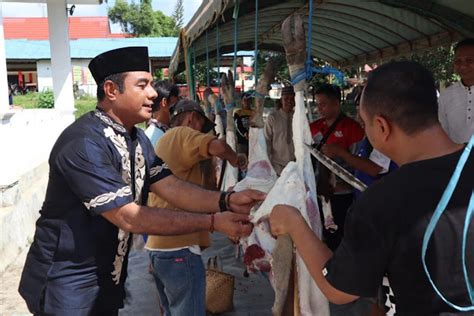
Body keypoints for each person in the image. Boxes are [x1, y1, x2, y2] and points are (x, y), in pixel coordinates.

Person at [18, 47, 264, 316]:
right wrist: (213, 222)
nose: (153, 94)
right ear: (112, 90)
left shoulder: (137, 139)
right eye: (142, 85)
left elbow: (170, 186)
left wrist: (225, 201)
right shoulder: (84, 142)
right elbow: (129, 217)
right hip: (67, 282)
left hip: (107, 275)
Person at [270, 61, 473, 315]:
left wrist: (294, 222)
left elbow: (339, 290)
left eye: (364, 124)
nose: (363, 129)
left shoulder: (381, 202)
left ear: (382, 127)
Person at [145, 99, 247, 316]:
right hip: (179, 248)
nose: (201, 132)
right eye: (201, 126)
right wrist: (236, 159)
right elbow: (218, 146)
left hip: (161, 248)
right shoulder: (181, 134)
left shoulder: (167, 141)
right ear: (192, 118)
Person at [310, 83, 364, 251]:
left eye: (323, 104)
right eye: (317, 104)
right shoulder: (313, 128)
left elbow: (360, 165)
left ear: (336, 103)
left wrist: (340, 154)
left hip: (343, 195)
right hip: (318, 193)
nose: (319, 109)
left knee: (339, 237)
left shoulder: (352, 129)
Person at [439, 38, 474, 144]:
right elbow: (443, 130)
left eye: (469, 60)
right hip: (458, 159)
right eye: (458, 61)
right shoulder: (446, 95)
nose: (463, 66)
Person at [264, 85, 296, 175]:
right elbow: (266, 140)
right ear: (281, 100)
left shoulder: (298, 118)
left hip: (295, 165)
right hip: (277, 166)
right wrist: (267, 163)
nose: (289, 101)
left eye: (292, 99)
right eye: (286, 99)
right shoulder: (273, 118)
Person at [144, 80, 179, 147]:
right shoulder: (156, 136)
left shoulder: (156, 132)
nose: (177, 109)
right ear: (164, 102)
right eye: (175, 104)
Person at [234, 91, 255, 156]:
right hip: (242, 141)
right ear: (242, 101)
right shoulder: (238, 113)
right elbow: (238, 126)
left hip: (253, 141)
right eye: (245, 100)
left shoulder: (254, 112)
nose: (247, 102)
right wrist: (245, 133)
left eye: (248, 100)